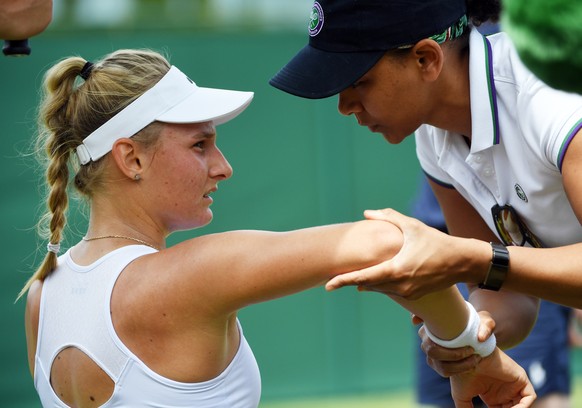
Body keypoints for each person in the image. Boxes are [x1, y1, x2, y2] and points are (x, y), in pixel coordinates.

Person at [20, 49, 535, 407]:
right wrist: (473, 353)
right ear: (130, 159)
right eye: (200, 145)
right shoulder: (188, 277)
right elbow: (390, 242)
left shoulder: (44, 293)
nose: (223, 166)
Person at [269, 0, 582, 390]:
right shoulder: (434, 137)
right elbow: (506, 293)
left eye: (358, 80)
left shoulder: (551, 97)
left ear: (426, 59)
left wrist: (470, 258)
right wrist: (467, 337)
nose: (344, 106)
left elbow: (486, 262)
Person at [410, 177, 572, 408]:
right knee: (448, 389)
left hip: (520, 261)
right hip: (441, 265)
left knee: (529, 395)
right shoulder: (434, 149)